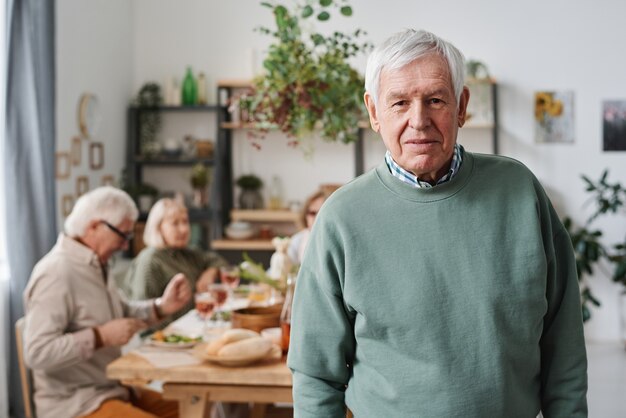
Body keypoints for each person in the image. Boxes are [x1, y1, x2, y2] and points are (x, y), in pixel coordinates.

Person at [287, 29, 587, 417]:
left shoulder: (520, 192)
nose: (419, 120)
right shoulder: (341, 218)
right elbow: (315, 375)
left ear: (461, 106)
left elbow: (563, 347)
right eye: (398, 103)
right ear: (374, 112)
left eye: (435, 100)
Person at [22, 186, 191, 418]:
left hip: (114, 389)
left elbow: (122, 311)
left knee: (194, 409)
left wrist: (162, 307)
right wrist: (100, 336)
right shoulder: (56, 273)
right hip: (76, 405)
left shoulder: (98, 263)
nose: (125, 245)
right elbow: (36, 353)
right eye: (123, 235)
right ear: (94, 226)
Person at [123, 198, 228, 329]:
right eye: (175, 223)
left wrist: (210, 272)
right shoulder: (150, 261)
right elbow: (143, 317)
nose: (184, 229)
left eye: (185, 222)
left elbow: (219, 261)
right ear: (158, 227)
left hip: (194, 328)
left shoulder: (185, 253)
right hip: (169, 338)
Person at [287, 187, 333, 265]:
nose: (316, 218)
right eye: (312, 213)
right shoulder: (298, 240)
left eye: (321, 213)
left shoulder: (337, 241)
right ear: (305, 215)